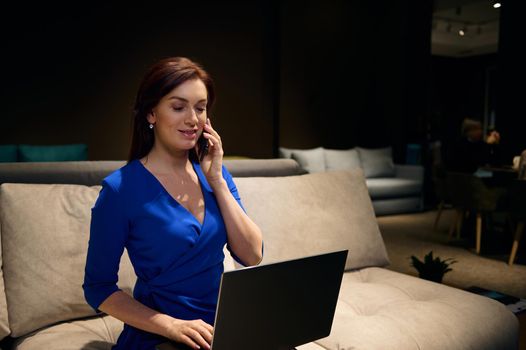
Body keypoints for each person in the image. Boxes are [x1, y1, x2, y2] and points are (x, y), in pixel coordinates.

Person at [83, 57, 263, 350]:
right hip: (160, 334)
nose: (193, 119)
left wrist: (216, 181)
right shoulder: (120, 190)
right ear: (151, 113)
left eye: (201, 108)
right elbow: (97, 288)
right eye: (178, 107)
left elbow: (252, 255)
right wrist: (171, 326)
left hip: (222, 327)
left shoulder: (216, 175)